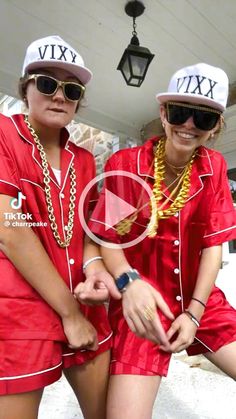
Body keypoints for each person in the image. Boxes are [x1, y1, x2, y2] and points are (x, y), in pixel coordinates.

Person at [75, 63, 236, 419]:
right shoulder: (126, 165)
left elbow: (213, 245)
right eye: (180, 112)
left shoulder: (215, 168)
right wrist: (129, 283)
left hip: (200, 300)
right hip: (142, 304)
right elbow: (107, 239)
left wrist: (194, 313)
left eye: (204, 119)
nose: (189, 125)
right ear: (163, 113)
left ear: (216, 128)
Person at [0, 35, 120, 419]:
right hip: (25, 311)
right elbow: (10, 228)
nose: (59, 96)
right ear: (25, 88)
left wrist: (93, 267)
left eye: (71, 89)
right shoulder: (4, 134)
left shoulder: (83, 159)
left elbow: (87, 234)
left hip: (86, 306)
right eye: (47, 83)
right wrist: (69, 314)